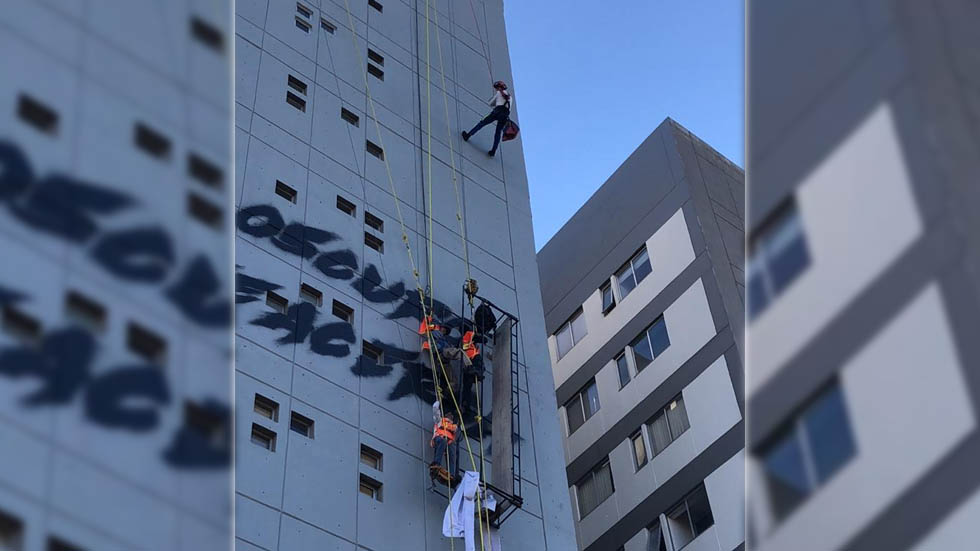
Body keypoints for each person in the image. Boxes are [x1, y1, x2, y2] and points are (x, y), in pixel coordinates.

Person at [419, 315, 472, 391]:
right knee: (457, 352)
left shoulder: (445, 340)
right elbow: (427, 327)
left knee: (452, 377)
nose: (444, 331)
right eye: (443, 329)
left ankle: (450, 390)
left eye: (445, 331)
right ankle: (468, 365)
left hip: (443, 360)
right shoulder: (435, 333)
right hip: (440, 353)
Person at [461, 80, 511, 157]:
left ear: (499, 87)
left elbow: (491, 103)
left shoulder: (499, 93)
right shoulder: (510, 97)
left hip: (497, 112)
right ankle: (493, 151)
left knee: (482, 123)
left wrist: (496, 100)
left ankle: (468, 135)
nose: (496, 89)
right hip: (505, 116)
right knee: (498, 133)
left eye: (496, 88)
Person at [430, 408, 458, 481]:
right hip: (439, 439)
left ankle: (451, 473)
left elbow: (459, 436)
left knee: (452, 452)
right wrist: (437, 403)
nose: (450, 415)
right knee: (443, 441)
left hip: (448, 443)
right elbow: (436, 413)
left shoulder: (454, 427)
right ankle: (436, 463)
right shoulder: (440, 421)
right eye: (449, 414)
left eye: (451, 415)